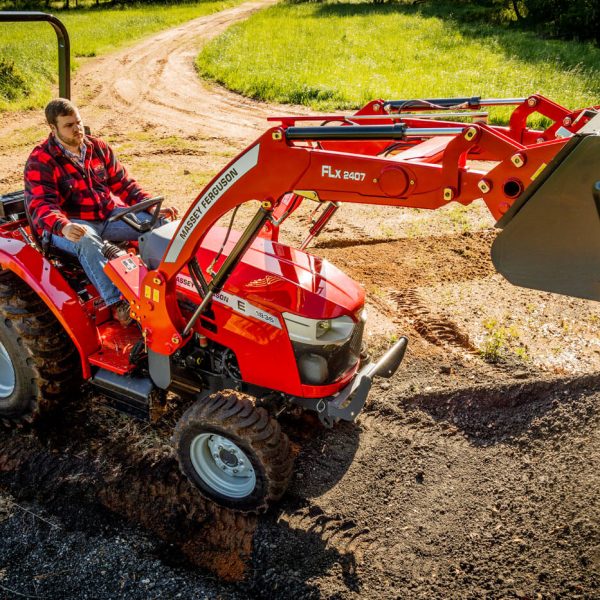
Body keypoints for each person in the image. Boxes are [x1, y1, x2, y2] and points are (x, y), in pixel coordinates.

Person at [24, 98, 177, 325]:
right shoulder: (41, 160)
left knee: (157, 225)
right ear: (52, 128)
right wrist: (63, 226)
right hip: (69, 225)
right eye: (68, 125)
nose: (77, 129)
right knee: (86, 239)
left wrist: (151, 206)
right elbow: (41, 205)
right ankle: (118, 304)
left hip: (107, 215)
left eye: (78, 122)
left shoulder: (98, 148)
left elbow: (125, 185)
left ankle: (173, 283)